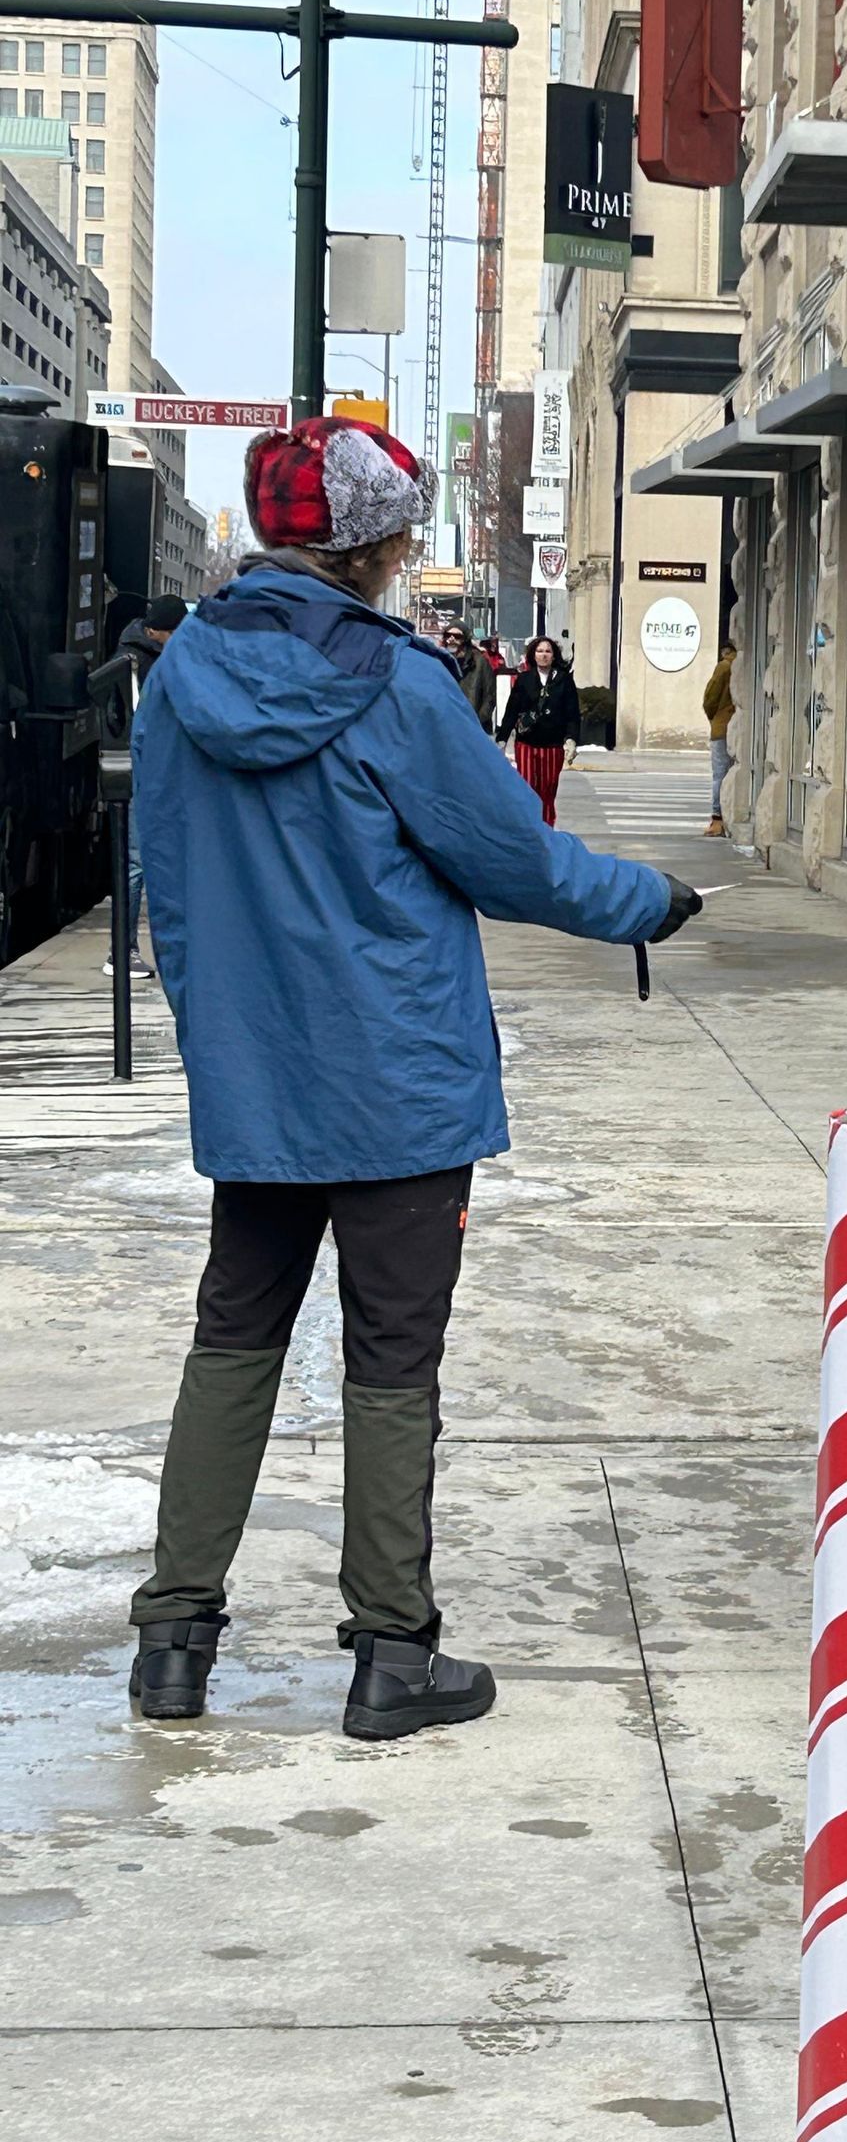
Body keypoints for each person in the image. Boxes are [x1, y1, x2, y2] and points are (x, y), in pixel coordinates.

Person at [125, 416, 702, 1741]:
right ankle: (393, 1652)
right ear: (377, 544)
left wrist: (218, 1033)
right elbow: (515, 860)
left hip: (256, 1077)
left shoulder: (183, 672)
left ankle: (172, 1644)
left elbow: (166, 884)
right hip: (397, 1078)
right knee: (392, 1356)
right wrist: (648, 901)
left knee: (233, 1334)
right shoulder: (397, 682)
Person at [104, 592, 188, 983]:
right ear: (159, 632)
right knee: (137, 861)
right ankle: (120, 952)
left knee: (144, 861)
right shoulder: (135, 662)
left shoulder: (146, 656)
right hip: (143, 769)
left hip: (154, 767)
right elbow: (127, 718)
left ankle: (126, 950)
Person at [497, 632, 580, 826]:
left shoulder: (563, 680)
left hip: (552, 745)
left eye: (548, 651)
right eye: (539, 651)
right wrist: (502, 739)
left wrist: (572, 739)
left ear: (554, 655)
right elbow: (511, 711)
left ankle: (546, 827)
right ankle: (529, 827)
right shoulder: (524, 679)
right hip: (527, 743)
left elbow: (572, 713)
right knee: (527, 788)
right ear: (533, 655)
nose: (543, 655)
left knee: (548, 790)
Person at [703, 638, 738, 838]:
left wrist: (713, 717)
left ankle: (717, 819)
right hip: (738, 726)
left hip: (722, 727)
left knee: (719, 774)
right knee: (732, 772)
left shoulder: (724, 667)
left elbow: (710, 698)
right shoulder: (742, 666)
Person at [442, 620, 497, 736]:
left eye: (457, 636)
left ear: (465, 639)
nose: (451, 639)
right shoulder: (440, 661)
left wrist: (476, 722)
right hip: (446, 728)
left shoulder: (479, 662)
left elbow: (490, 697)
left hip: (474, 729)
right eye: (448, 635)